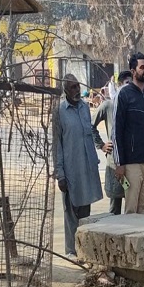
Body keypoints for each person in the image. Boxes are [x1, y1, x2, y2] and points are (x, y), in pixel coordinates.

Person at [54, 75, 103, 258]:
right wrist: (60, 174)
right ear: (65, 90)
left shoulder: (83, 107)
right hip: (70, 169)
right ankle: (71, 250)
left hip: (87, 167)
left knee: (85, 210)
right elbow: (56, 144)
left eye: (77, 87)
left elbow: (89, 132)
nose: (76, 91)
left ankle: (83, 249)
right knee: (71, 211)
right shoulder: (59, 111)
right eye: (72, 88)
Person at [112, 52, 144, 215]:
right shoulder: (123, 95)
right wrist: (119, 163)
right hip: (131, 165)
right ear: (133, 71)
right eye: (142, 67)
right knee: (131, 210)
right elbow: (116, 130)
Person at [92, 70, 131, 215]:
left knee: (132, 205)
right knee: (115, 204)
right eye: (127, 83)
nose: (129, 87)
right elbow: (90, 126)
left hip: (132, 162)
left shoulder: (134, 104)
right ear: (119, 85)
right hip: (115, 163)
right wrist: (101, 145)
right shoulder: (108, 105)